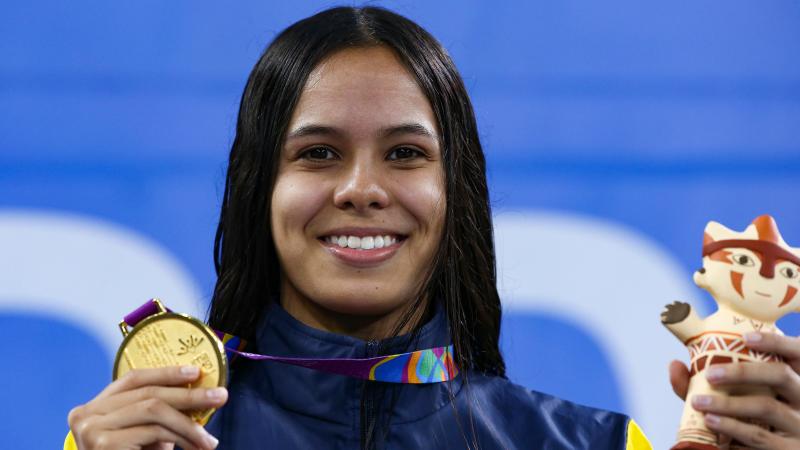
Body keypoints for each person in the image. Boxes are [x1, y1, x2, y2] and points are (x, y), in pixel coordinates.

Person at [64, 6, 800, 450]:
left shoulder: (594, 445)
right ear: (262, 187)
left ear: (456, 193)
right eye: (318, 153)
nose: (361, 189)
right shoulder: (155, 439)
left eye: (406, 154)